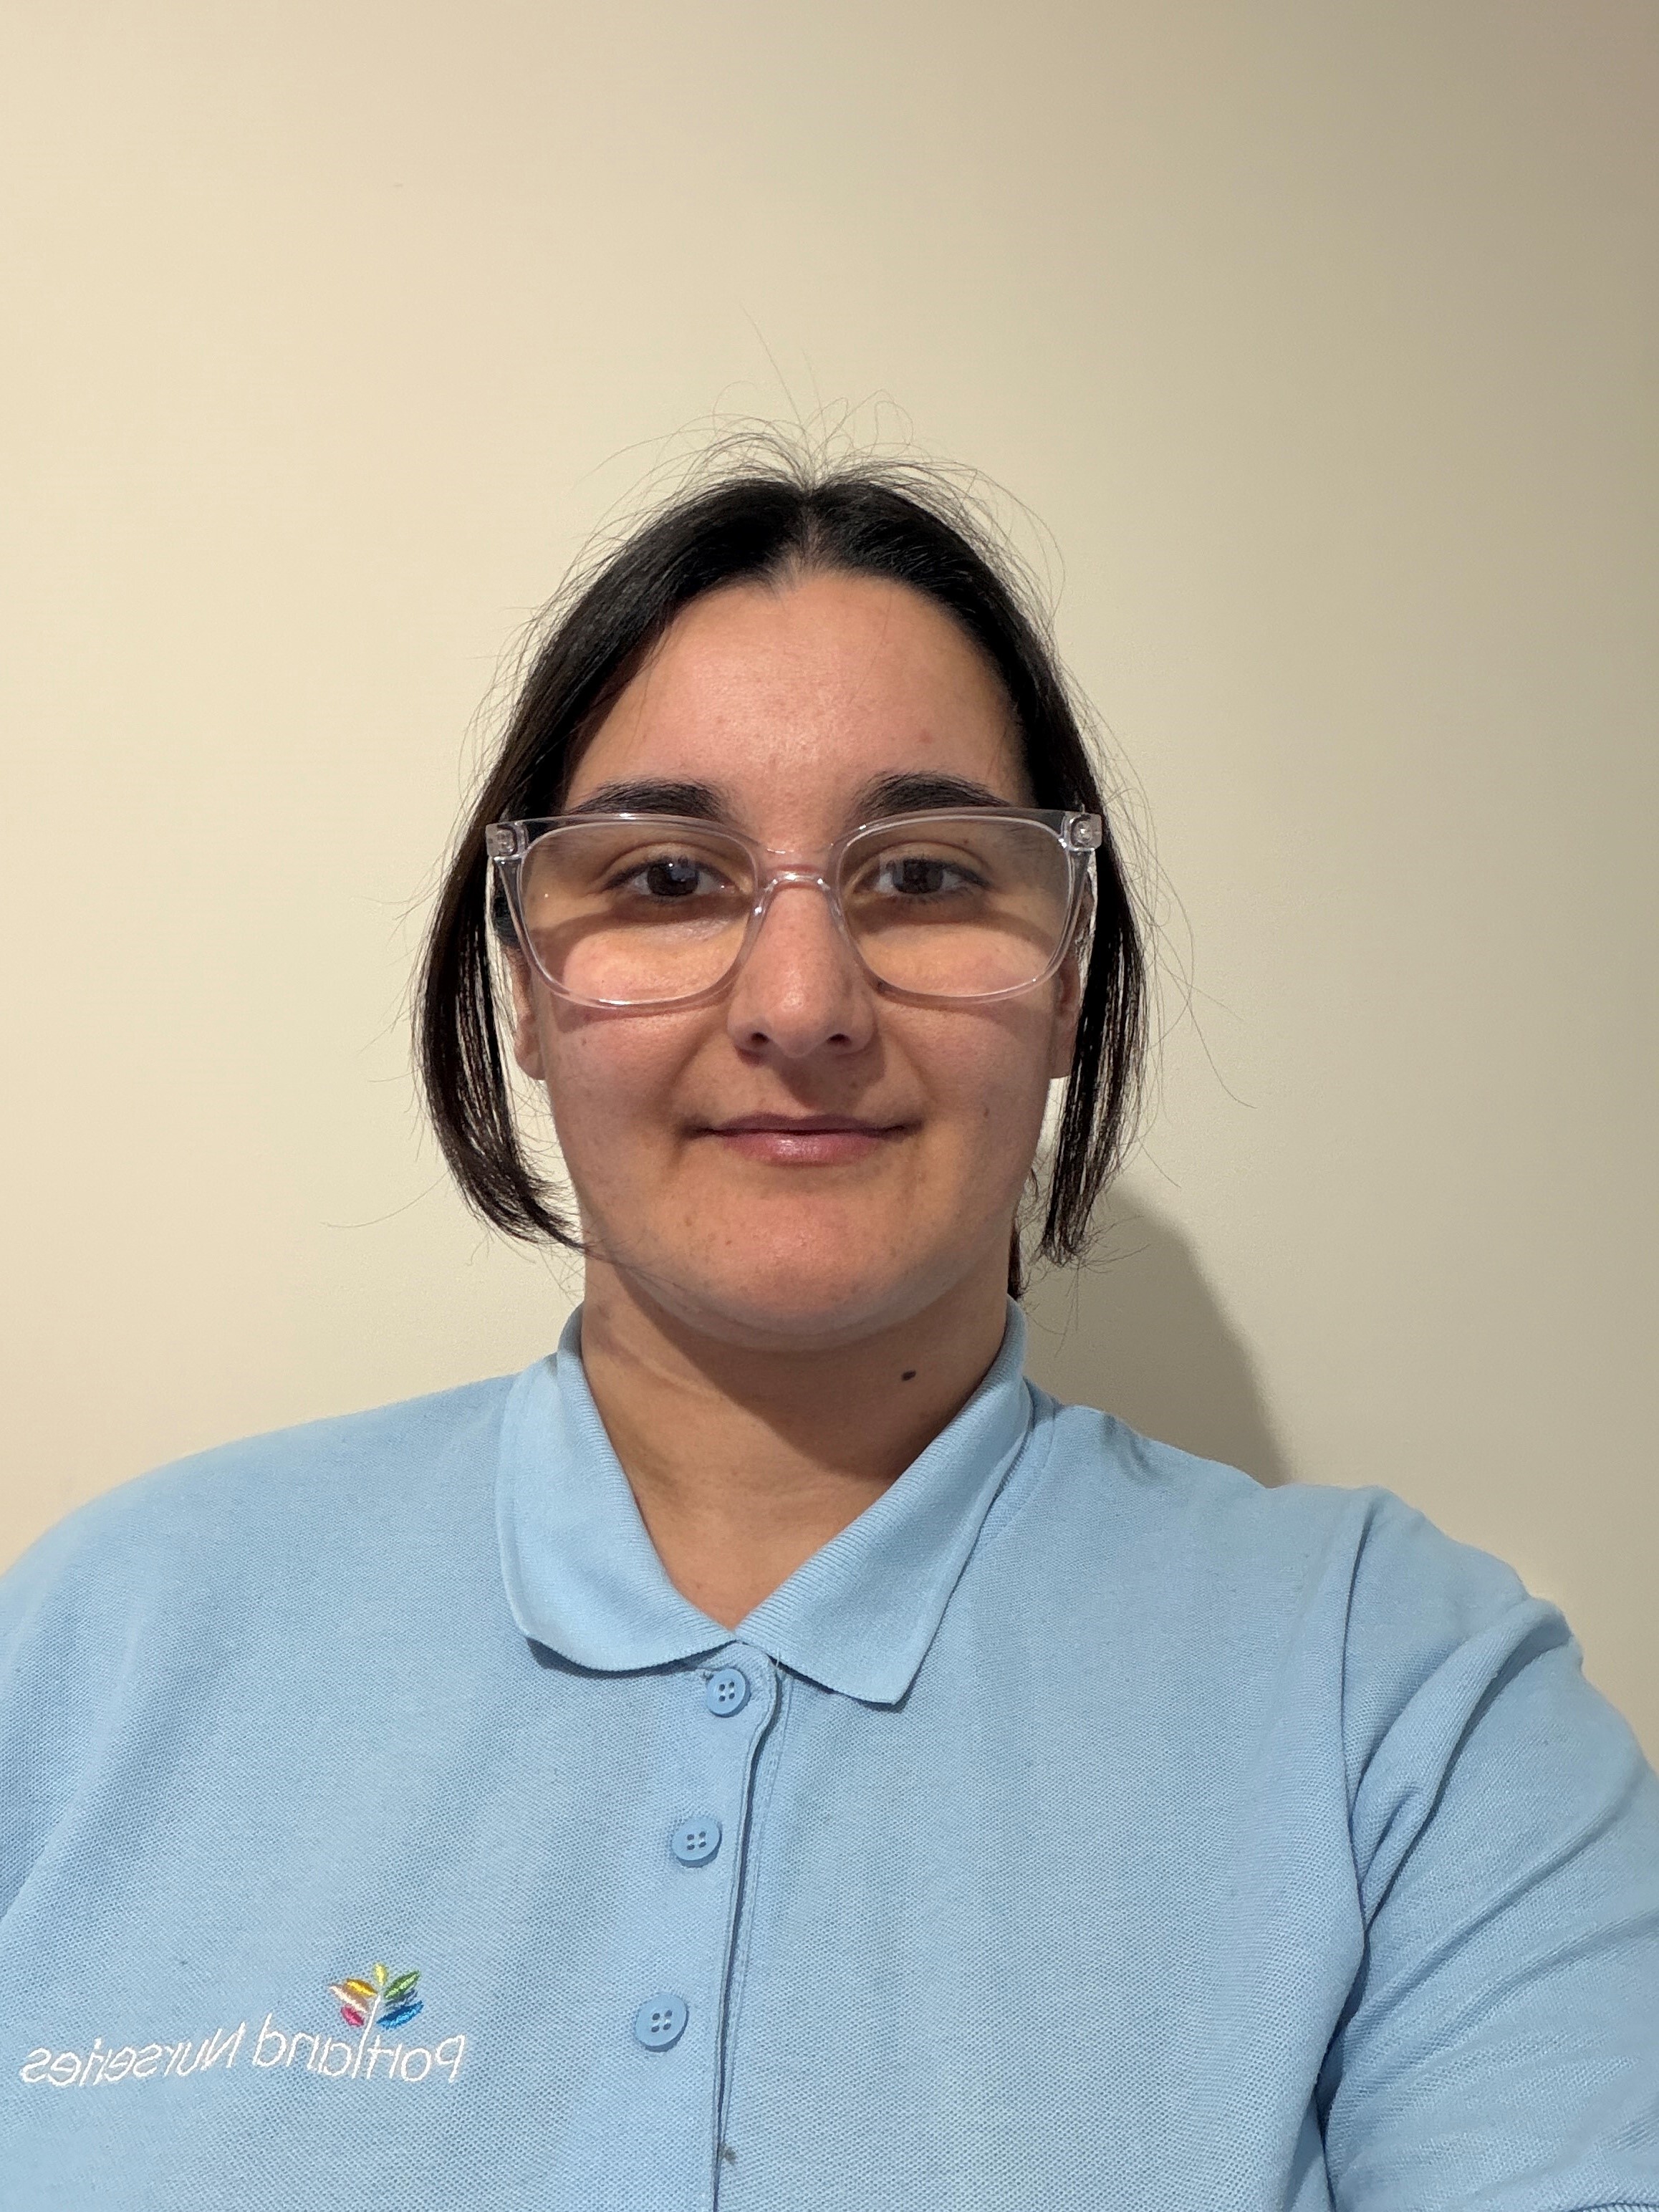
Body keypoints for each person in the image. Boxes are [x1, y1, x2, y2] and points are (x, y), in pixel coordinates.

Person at [1, 452, 1655, 2212]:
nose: (803, 1005)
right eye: (665, 878)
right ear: (525, 984)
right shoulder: (104, 1644)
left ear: (1070, 975)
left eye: (926, 875)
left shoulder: (1404, 1704)